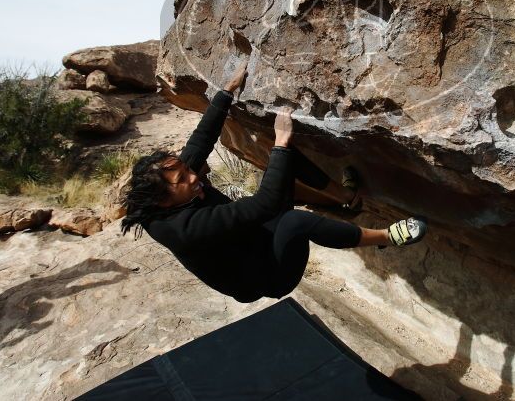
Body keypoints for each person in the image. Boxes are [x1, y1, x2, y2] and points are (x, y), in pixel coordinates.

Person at [121, 63, 427, 303]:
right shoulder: (183, 229)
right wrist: (280, 140)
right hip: (266, 274)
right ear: (163, 199)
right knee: (294, 221)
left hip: (254, 237)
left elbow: (199, 143)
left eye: (189, 172)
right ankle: (386, 237)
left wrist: (226, 91)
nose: (193, 175)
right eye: (182, 179)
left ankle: (348, 198)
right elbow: (264, 205)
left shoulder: (174, 191)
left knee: (285, 161)